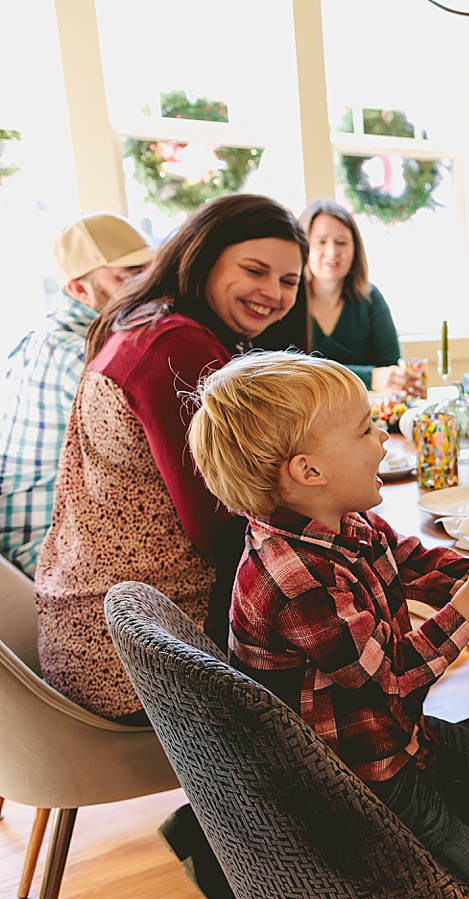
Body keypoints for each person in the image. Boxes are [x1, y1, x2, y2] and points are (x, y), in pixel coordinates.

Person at [187, 350, 469, 891]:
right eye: (367, 429)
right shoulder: (293, 577)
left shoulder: (344, 521)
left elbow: (414, 561)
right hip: (353, 770)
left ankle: (446, 806)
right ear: (308, 471)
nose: (384, 437)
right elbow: (391, 675)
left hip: (394, 730)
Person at [34, 194, 305, 723]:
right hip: (138, 653)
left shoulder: (150, 322)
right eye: (255, 270)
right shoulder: (176, 344)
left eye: (290, 282)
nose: (273, 294)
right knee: (347, 653)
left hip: (91, 628)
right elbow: (220, 520)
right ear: (203, 256)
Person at [0, 213, 153, 575]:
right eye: (128, 275)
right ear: (78, 290)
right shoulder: (82, 357)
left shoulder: (44, 335)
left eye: (147, 269)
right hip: (44, 548)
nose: (148, 284)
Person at [299, 198, 417, 396]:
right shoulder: (287, 301)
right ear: (303, 246)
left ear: (355, 248)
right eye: (320, 242)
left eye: (341, 242)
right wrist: (370, 377)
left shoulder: (371, 299)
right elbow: (289, 375)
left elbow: (389, 370)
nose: (332, 252)